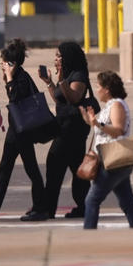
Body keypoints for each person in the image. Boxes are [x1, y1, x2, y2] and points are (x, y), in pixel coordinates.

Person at [0, 39, 47, 222]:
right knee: (6, 168)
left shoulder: (21, 78)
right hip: (17, 130)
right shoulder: (18, 77)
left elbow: (15, 99)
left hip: (22, 131)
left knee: (29, 168)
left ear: (12, 63)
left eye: (4, 62)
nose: (1, 64)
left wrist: (9, 78)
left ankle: (40, 208)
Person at [79, 71, 133, 229]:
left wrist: (97, 124)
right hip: (114, 162)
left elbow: (118, 130)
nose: (97, 88)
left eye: (99, 86)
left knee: (92, 200)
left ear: (107, 89)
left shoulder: (117, 104)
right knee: (127, 203)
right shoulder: (110, 105)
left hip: (113, 160)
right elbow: (103, 130)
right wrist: (90, 120)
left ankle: (88, 235)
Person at [39, 42, 91, 219]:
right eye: (56, 56)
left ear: (69, 57)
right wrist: (49, 82)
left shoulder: (79, 76)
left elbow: (74, 98)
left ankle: (48, 209)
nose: (56, 59)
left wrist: (61, 80)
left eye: (59, 56)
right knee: (78, 171)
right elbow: (60, 99)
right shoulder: (68, 75)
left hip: (73, 131)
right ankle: (85, 206)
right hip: (64, 127)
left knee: (54, 165)